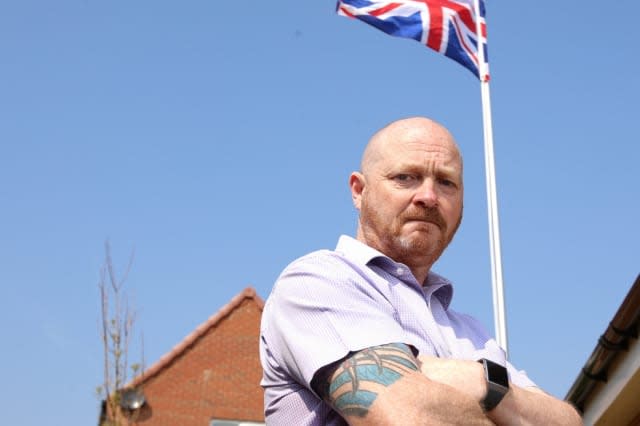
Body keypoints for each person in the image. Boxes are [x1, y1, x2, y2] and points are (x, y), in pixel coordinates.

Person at [259, 117, 582, 425]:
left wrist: (482, 383)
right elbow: (409, 418)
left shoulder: (471, 332)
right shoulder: (319, 281)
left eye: (446, 182)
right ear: (359, 190)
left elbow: (569, 421)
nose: (429, 197)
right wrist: (505, 398)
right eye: (405, 177)